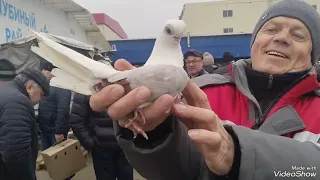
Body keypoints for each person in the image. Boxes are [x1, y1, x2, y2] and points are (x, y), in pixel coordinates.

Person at [88, 0, 320, 180]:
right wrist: (157, 136)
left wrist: (238, 153)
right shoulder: (200, 91)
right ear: (254, 41)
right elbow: (175, 173)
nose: (281, 38)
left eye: (298, 35)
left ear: (313, 54)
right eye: (271, 29)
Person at [70, 90, 133, 179]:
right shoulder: (85, 88)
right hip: (101, 148)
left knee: (126, 176)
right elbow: (76, 121)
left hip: (124, 146)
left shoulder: (123, 85)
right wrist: (90, 143)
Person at [0, 68, 50, 180]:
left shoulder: (5, 90)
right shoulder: (17, 102)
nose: (41, 100)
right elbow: (16, 153)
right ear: (29, 87)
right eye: (41, 95)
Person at [37, 65, 71, 150]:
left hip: (55, 130)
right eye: (43, 70)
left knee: (57, 157)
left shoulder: (62, 87)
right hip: (45, 128)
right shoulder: (47, 85)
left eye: (45, 70)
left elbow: (63, 110)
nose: (43, 73)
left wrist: (59, 131)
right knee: (46, 154)